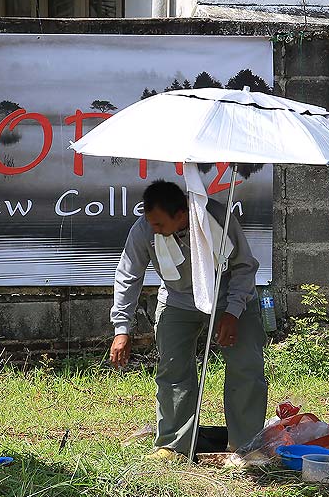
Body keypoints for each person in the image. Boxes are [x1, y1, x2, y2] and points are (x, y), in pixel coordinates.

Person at [109, 179, 268, 461]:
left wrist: (232, 313)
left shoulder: (217, 219)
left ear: (181, 215)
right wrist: (122, 328)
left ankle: (246, 447)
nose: (153, 229)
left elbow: (244, 266)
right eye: (151, 223)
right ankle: (174, 446)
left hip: (229, 298)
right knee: (173, 370)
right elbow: (128, 275)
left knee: (246, 368)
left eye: (159, 224)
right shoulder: (145, 228)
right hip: (177, 299)